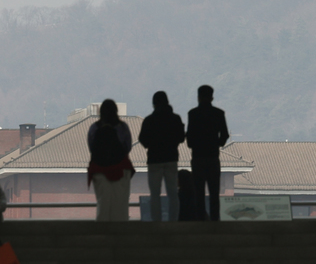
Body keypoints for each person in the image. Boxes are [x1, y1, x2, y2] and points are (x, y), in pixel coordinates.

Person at [138, 90, 186, 221]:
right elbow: (182, 138)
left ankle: (156, 222)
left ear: (154, 104)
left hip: (154, 160)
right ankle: (173, 221)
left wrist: (152, 144)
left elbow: (142, 139)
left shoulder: (149, 120)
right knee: (173, 194)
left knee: (155, 194)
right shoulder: (175, 119)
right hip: (171, 159)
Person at [86, 98, 135, 221]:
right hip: (121, 169)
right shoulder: (122, 127)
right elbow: (127, 147)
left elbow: (92, 147)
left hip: (99, 169)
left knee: (103, 203)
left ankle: (102, 233)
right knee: (121, 205)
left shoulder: (94, 128)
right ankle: (120, 234)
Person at [186, 84, 230, 221]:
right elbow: (225, 134)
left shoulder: (193, 114)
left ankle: (200, 220)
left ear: (198, 97)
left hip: (198, 157)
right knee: (214, 192)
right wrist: (217, 144)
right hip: (212, 156)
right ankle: (215, 220)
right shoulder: (219, 113)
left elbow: (190, 135)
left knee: (198, 192)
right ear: (212, 97)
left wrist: (193, 145)